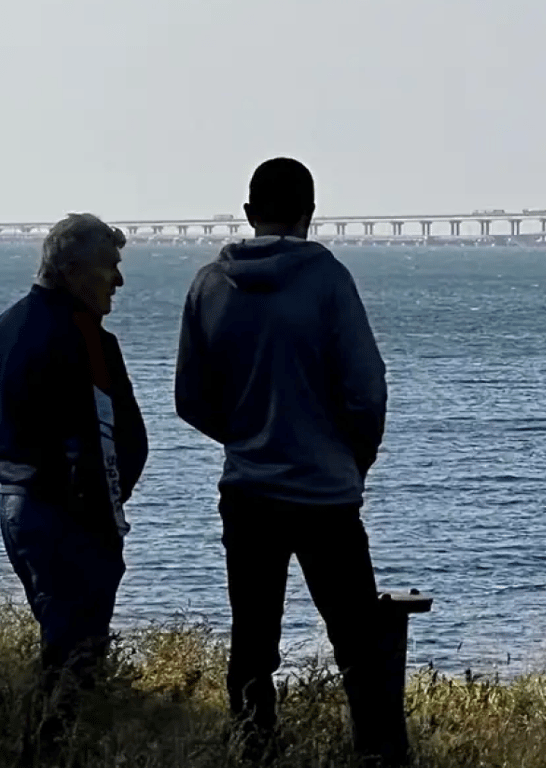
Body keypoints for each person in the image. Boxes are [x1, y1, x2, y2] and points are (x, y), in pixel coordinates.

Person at [173, 157, 406, 765]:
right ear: (311, 213)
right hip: (327, 493)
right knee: (358, 642)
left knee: (252, 643)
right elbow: (367, 389)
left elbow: (190, 399)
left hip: (248, 490)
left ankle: (254, 751)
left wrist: (246, 435)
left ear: (249, 214)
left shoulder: (208, 284)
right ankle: (379, 755)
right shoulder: (329, 280)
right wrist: (356, 458)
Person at [0, 213, 148, 764]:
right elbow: (104, 439)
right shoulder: (85, 336)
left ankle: (38, 746)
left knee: (60, 644)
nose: (117, 283)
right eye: (110, 268)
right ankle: (47, 752)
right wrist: (109, 529)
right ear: (74, 271)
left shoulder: (2, 328)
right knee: (77, 657)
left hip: (15, 504)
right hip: (69, 512)